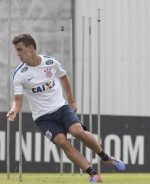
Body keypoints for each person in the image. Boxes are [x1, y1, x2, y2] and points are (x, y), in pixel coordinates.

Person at [7, 33, 125, 182]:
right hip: (42, 117)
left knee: (77, 131)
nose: (18, 54)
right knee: (62, 141)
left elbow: (63, 78)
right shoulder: (19, 74)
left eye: (20, 49)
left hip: (61, 107)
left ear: (30, 48)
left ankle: (107, 158)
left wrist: (71, 101)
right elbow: (17, 99)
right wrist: (14, 110)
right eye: (16, 50)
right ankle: (93, 174)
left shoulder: (51, 62)